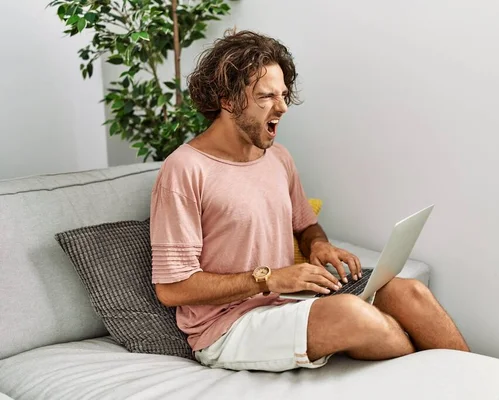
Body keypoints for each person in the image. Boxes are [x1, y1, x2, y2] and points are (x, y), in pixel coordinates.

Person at [150, 29, 469, 372]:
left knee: (410, 293)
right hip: (228, 327)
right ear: (227, 101)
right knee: (355, 314)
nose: (283, 107)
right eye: (266, 96)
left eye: (284, 94)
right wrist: (269, 278)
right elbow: (172, 289)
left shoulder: (278, 157)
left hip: (289, 303)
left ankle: (482, 385)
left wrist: (318, 246)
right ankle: (441, 383)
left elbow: (305, 226)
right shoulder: (184, 169)